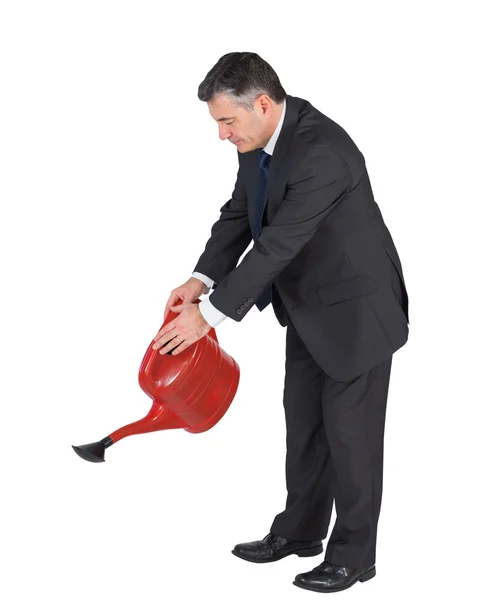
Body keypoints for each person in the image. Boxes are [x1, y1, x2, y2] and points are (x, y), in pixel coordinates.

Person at [152, 52, 409, 594]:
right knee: (305, 428)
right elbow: (241, 214)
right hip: (310, 309)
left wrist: (212, 316)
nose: (222, 136)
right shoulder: (259, 143)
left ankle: (355, 555)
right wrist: (201, 279)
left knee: (352, 439)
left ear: (262, 104)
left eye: (227, 122)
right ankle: (300, 531)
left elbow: (277, 245)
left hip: (358, 313)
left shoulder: (323, 153)